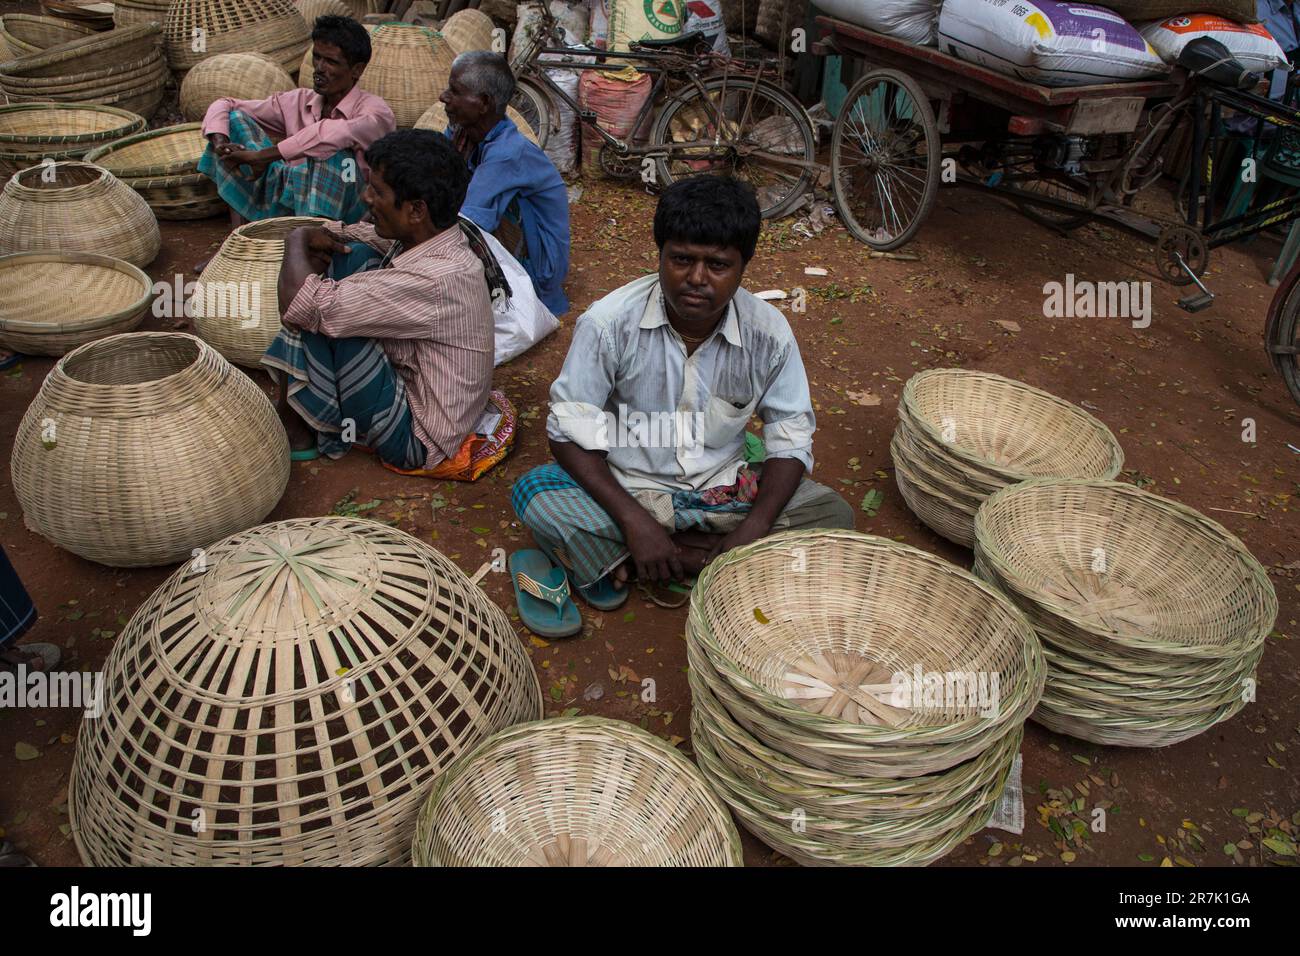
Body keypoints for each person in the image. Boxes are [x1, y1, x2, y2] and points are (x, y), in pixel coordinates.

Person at [511, 176, 855, 611]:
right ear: (660, 256)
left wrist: (754, 525)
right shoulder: (608, 323)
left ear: (742, 267)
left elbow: (790, 434)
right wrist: (636, 520)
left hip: (722, 494)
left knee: (832, 515)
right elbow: (567, 430)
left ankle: (640, 559)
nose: (696, 278)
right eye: (681, 259)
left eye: (717, 265)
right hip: (629, 491)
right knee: (537, 496)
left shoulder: (769, 334)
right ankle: (701, 556)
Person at [264, 129, 496, 473]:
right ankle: (307, 407)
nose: (366, 197)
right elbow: (357, 234)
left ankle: (298, 424)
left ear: (416, 209)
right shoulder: (435, 235)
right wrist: (326, 234)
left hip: (419, 439)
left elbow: (300, 304)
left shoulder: (437, 278)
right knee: (351, 254)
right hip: (421, 393)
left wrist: (296, 239)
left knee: (319, 314)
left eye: (378, 191)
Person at [198, 15, 395, 225]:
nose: (319, 68)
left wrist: (262, 157)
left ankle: (316, 243)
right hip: (294, 193)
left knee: (330, 155)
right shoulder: (299, 100)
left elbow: (332, 134)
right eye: (317, 57)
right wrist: (221, 143)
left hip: (351, 203)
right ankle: (241, 238)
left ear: (357, 69)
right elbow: (225, 104)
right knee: (234, 120)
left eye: (330, 62)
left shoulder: (375, 112)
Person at [439, 50, 571, 315]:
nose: (444, 97)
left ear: (484, 102)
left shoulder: (507, 154)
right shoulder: (463, 133)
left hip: (538, 271)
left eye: (454, 91)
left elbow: (466, 225)